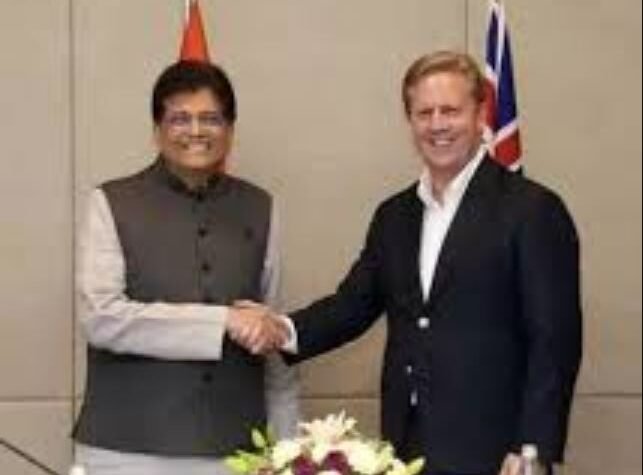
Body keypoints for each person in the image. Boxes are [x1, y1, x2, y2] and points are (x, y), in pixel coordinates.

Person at [241, 51, 582, 475]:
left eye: (450, 111)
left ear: (481, 115)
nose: (437, 124)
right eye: (424, 113)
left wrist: (533, 447)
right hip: (406, 445)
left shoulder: (533, 210)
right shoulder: (394, 216)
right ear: (410, 121)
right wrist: (281, 329)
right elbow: (352, 305)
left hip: (497, 451)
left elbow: (554, 341)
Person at [72, 60, 299, 475]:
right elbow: (101, 318)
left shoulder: (261, 206)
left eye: (210, 118)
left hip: (238, 452)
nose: (196, 131)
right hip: (126, 452)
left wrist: (289, 449)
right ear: (157, 130)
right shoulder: (111, 202)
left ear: (230, 129)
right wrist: (222, 320)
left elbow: (272, 334)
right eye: (180, 118)